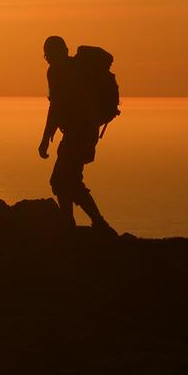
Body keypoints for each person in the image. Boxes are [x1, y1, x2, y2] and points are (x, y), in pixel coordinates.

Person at [39, 35, 115, 233]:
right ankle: (72, 224)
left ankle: (96, 223)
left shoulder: (61, 72)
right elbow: (58, 106)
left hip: (79, 134)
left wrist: (45, 139)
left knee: (64, 180)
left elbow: (55, 106)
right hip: (80, 133)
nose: (48, 59)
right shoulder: (70, 70)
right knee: (65, 180)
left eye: (49, 55)